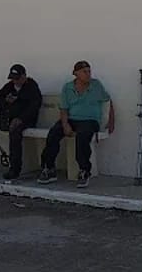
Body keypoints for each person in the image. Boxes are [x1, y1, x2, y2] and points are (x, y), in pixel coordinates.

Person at [38, 60, 112, 188]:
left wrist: (111, 121)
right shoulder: (68, 87)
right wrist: (65, 124)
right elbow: (64, 109)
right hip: (72, 119)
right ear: (76, 73)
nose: (88, 74)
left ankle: (84, 170)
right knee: (53, 133)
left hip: (90, 120)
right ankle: (49, 168)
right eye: (84, 72)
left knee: (82, 136)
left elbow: (108, 101)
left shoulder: (96, 85)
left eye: (89, 71)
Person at [0, 64, 42, 181]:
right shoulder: (9, 86)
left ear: (24, 76)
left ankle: (15, 169)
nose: (15, 81)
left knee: (14, 132)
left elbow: (34, 106)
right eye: (13, 79)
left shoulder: (31, 87)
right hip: (7, 116)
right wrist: (6, 101)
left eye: (17, 79)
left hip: (25, 119)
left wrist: (21, 118)